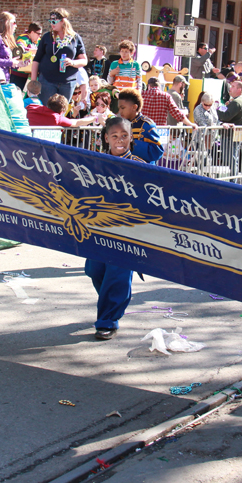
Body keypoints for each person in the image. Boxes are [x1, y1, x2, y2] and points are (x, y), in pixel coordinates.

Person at [84, 117, 146, 341]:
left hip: (127, 230)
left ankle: (107, 320)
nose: (119, 140)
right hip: (97, 228)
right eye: (114, 136)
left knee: (117, 274)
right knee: (95, 271)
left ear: (131, 138)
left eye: (124, 136)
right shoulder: (94, 162)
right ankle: (112, 301)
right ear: (106, 138)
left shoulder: (139, 165)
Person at [31, 8, 88, 102]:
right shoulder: (47, 37)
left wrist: (72, 62)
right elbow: (37, 59)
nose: (51, 24)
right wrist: (33, 81)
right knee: (47, 110)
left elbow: (84, 60)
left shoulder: (75, 38)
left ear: (63, 21)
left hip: (67, 82)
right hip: (47, 80)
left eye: (54, 21)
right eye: (50, 21)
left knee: (61, 111)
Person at [116, 88, 163, 164]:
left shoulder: (146, 124)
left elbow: (157, 151)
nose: (120, 111)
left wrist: (132, 145)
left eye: (123, 108)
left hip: (144, 170)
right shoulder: (120, 124)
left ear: (134, 107)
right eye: (119, 108)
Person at [0, 12, 24, 86]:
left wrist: (18, 64)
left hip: (5, 79)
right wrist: (10, 62)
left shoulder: (5, 38)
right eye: (14, 23)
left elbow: (5, 61)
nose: (16, 26)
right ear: (6, 23)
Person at [26, 94, 95, 128]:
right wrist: (95, 118)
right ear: (63, 111)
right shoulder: (57, 118)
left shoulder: (31, 107)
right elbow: (76, 122)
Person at [10, 22, 42, 89]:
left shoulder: (38, 40)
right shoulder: (24, 37)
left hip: (29, 74)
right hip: (18, 73)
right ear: (32, 32)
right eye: (38, 34)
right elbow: (19, 48)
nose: (40, 36)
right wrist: (35, 51)